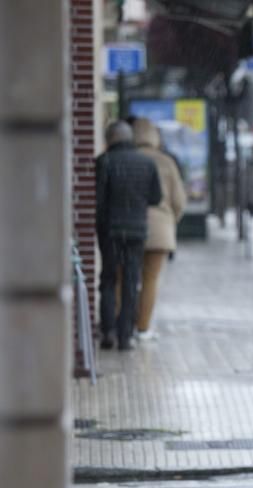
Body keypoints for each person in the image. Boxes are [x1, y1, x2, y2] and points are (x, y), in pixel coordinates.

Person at [95, 120, 162, 351]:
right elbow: (155, 198)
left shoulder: (104, 162)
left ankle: (108, 333)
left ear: (109, 139)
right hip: (136, 231)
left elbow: (99, 201)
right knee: (132, 282)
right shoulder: (147, 163)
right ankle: (125, 337)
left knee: (108, 279)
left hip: (110, 231)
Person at [132, 118, 187, 341]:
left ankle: (122, 324)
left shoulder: (130, 158)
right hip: (161, 229)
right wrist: (171, 220)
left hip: (132, 225)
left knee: (124, 277)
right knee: (151, 279)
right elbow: (179, 201)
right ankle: (143, 328)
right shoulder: (166, 162)